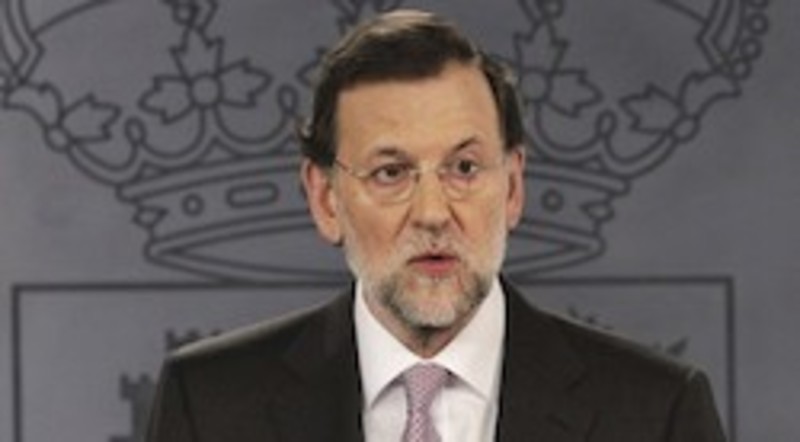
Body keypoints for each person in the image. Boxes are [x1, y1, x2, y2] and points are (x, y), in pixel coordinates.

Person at [146, 9, 726, 442]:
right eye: (391, 172)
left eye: (464, 168)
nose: (432, 212)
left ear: (513, 187)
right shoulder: (210, 405)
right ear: (325, 199)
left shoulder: (657, 412)